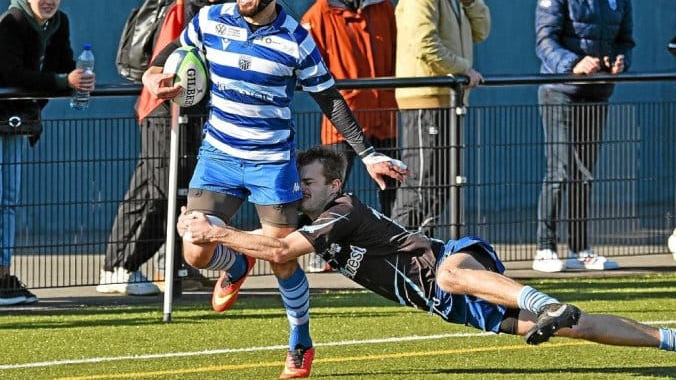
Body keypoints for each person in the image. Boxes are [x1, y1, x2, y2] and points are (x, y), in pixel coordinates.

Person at [142, 0, 408, 379]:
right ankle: (236, 263)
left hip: (270, 161)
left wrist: (368, 153)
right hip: (219, 154)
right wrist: (153, 75)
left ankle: (300, 340)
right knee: (194, 250)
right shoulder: (210, 20)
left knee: (283, 258)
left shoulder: (296, 39)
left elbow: (330, 100)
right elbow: (168, 54)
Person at [178, 146, 676, 360]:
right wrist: (228, 256)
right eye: (296, 183)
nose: (297, 190)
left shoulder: (342, 210)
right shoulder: (310, 223)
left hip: (449, 262)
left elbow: (279, 248)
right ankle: (668, 339)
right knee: (580, 327)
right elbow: (277, 253)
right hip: (451, 306)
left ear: (333, 184)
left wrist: (216, 233)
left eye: (306, 183)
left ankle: (542, 302)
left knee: (449, 277)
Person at [96, 0, 232, 296]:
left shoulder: (204, 9)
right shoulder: (183, 8)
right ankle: (121, 267)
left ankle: (167, 264)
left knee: (166, 189)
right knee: (161, 191)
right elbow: (168, 65)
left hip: (183, 112)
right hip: (166, 110)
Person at [533, 0, 634, 273]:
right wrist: (573, 64)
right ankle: (544, 248)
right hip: (560, 92)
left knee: (584, 174)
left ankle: (580, 249)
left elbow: (626, 42)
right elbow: (544, 40)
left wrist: (621, 60)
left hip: (598, 95)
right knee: (560, 170)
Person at [0, 0, 95, 305]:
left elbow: (63, 63)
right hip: (5, 114)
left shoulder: (59, 23)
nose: (50, 1)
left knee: (8, 199)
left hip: (17, 120)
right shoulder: (11, 22)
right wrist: (61, 82)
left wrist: (78, 78)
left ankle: (4, 274)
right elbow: (10, 73)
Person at [300, 0, 397, 272]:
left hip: (384, 112)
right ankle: (321, 248)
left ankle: (393, 247)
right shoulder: (317, 16)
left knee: (392, 188)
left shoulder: (384, 7)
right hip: (342, 117)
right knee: (329, 189)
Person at [390, 0, 490, 236]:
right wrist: (463, 71)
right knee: (421, 181)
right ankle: (396, 251)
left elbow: (482, 30)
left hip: (446, 99)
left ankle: (423, 251)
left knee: (442, 182)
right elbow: (425, 44)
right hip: (425, 99)